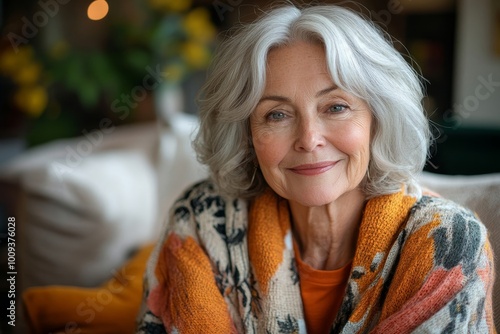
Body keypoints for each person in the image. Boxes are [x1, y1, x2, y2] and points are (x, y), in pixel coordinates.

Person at [136, 4, 495, 333]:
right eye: (276, 114)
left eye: (335, 107)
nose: (309, 139)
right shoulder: (201, 223)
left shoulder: (449, 242)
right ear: (246, 134)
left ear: (378, 119)